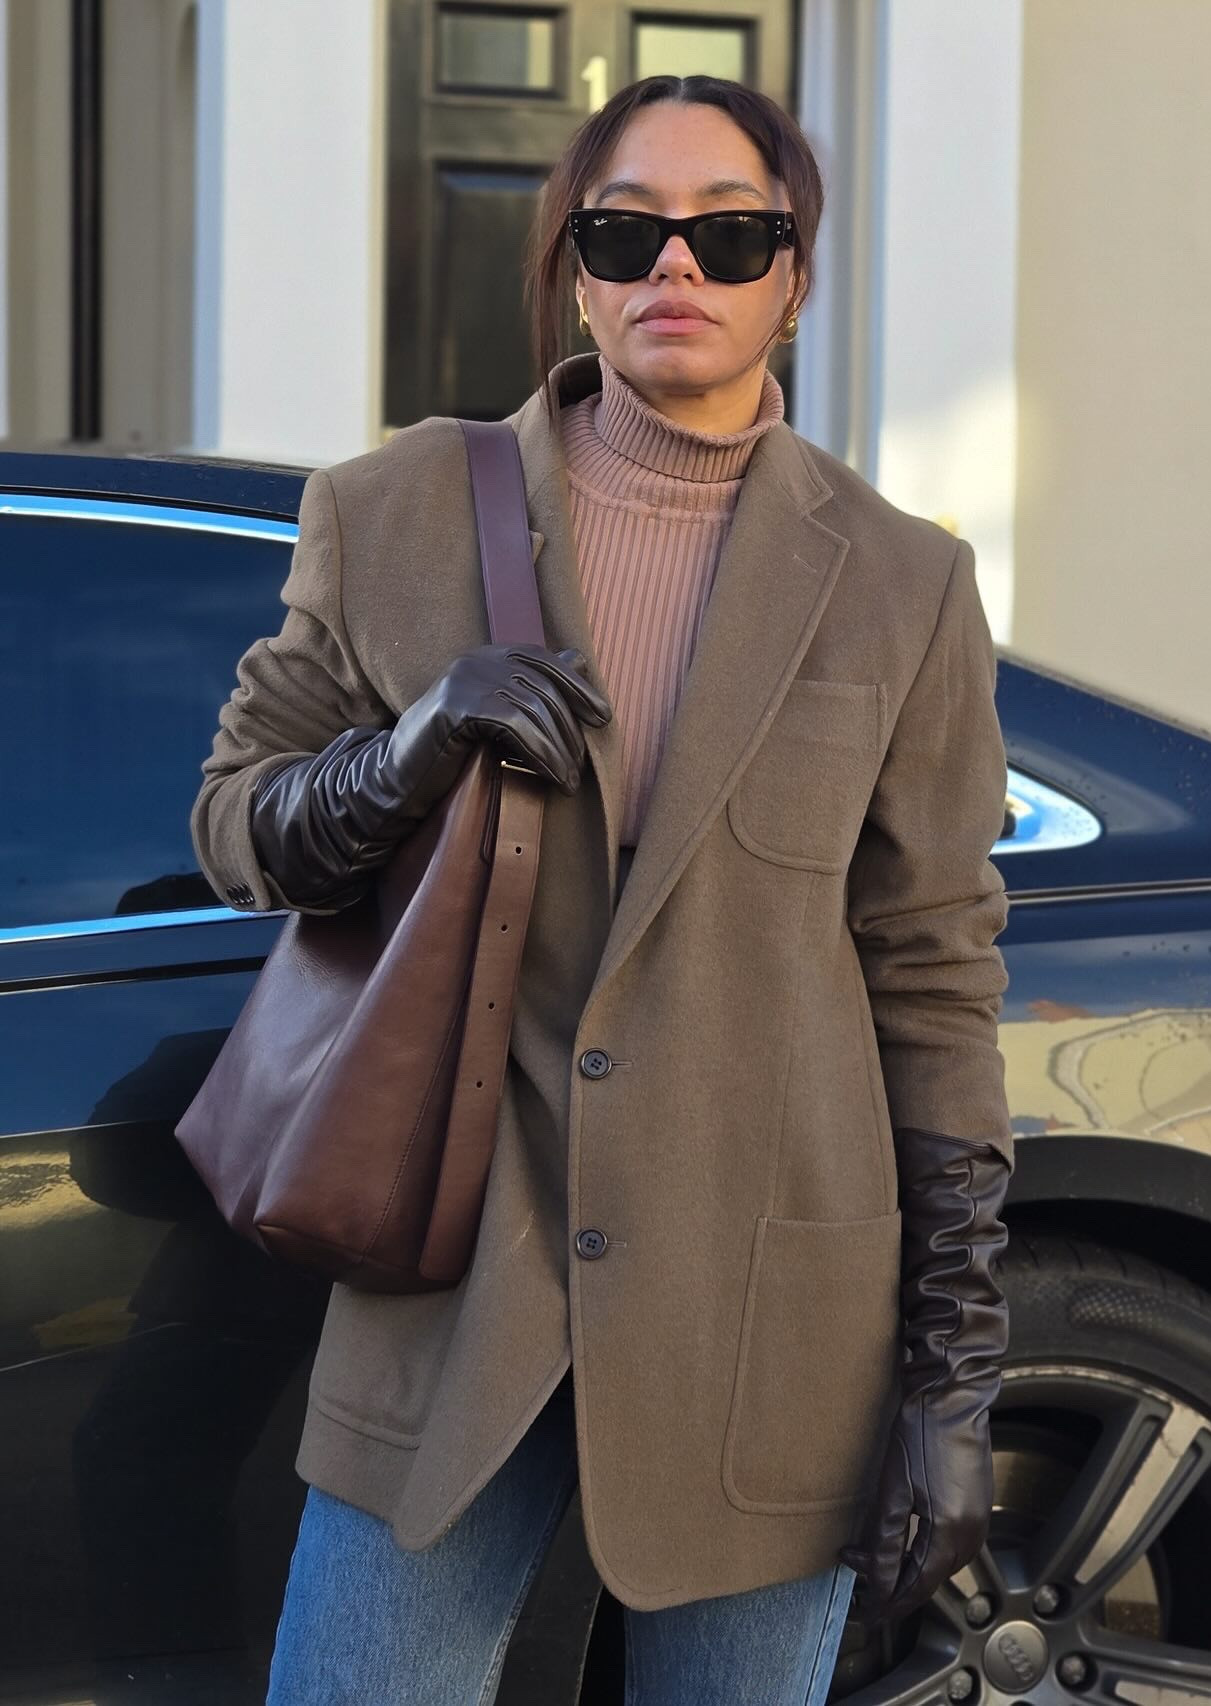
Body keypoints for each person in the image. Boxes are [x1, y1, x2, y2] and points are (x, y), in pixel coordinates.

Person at [190, 72, 1013, 1706]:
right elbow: (235, 824)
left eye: (730, 234)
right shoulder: (394, 509)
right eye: (630, 230)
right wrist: (401, 753)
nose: (676, 270)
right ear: (575, 263)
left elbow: (932, 976)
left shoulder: (905, 583)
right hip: (452, 1295)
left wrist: (952, 1386)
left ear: (793, 273)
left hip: (770, 1324)